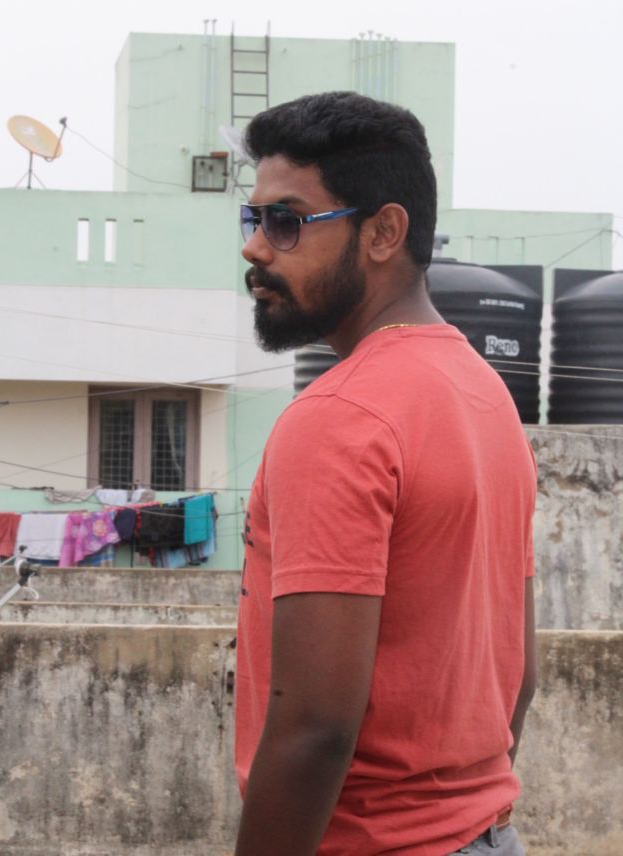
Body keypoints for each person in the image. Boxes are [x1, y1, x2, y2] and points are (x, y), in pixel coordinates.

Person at [234, 91, 537, 856]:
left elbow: (315, 728)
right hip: (487, 835)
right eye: (253, 219)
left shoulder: (339, 417)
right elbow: (519, 672)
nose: (256, 248)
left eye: (286, 221)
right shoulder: (485, 395)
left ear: (382, 232)